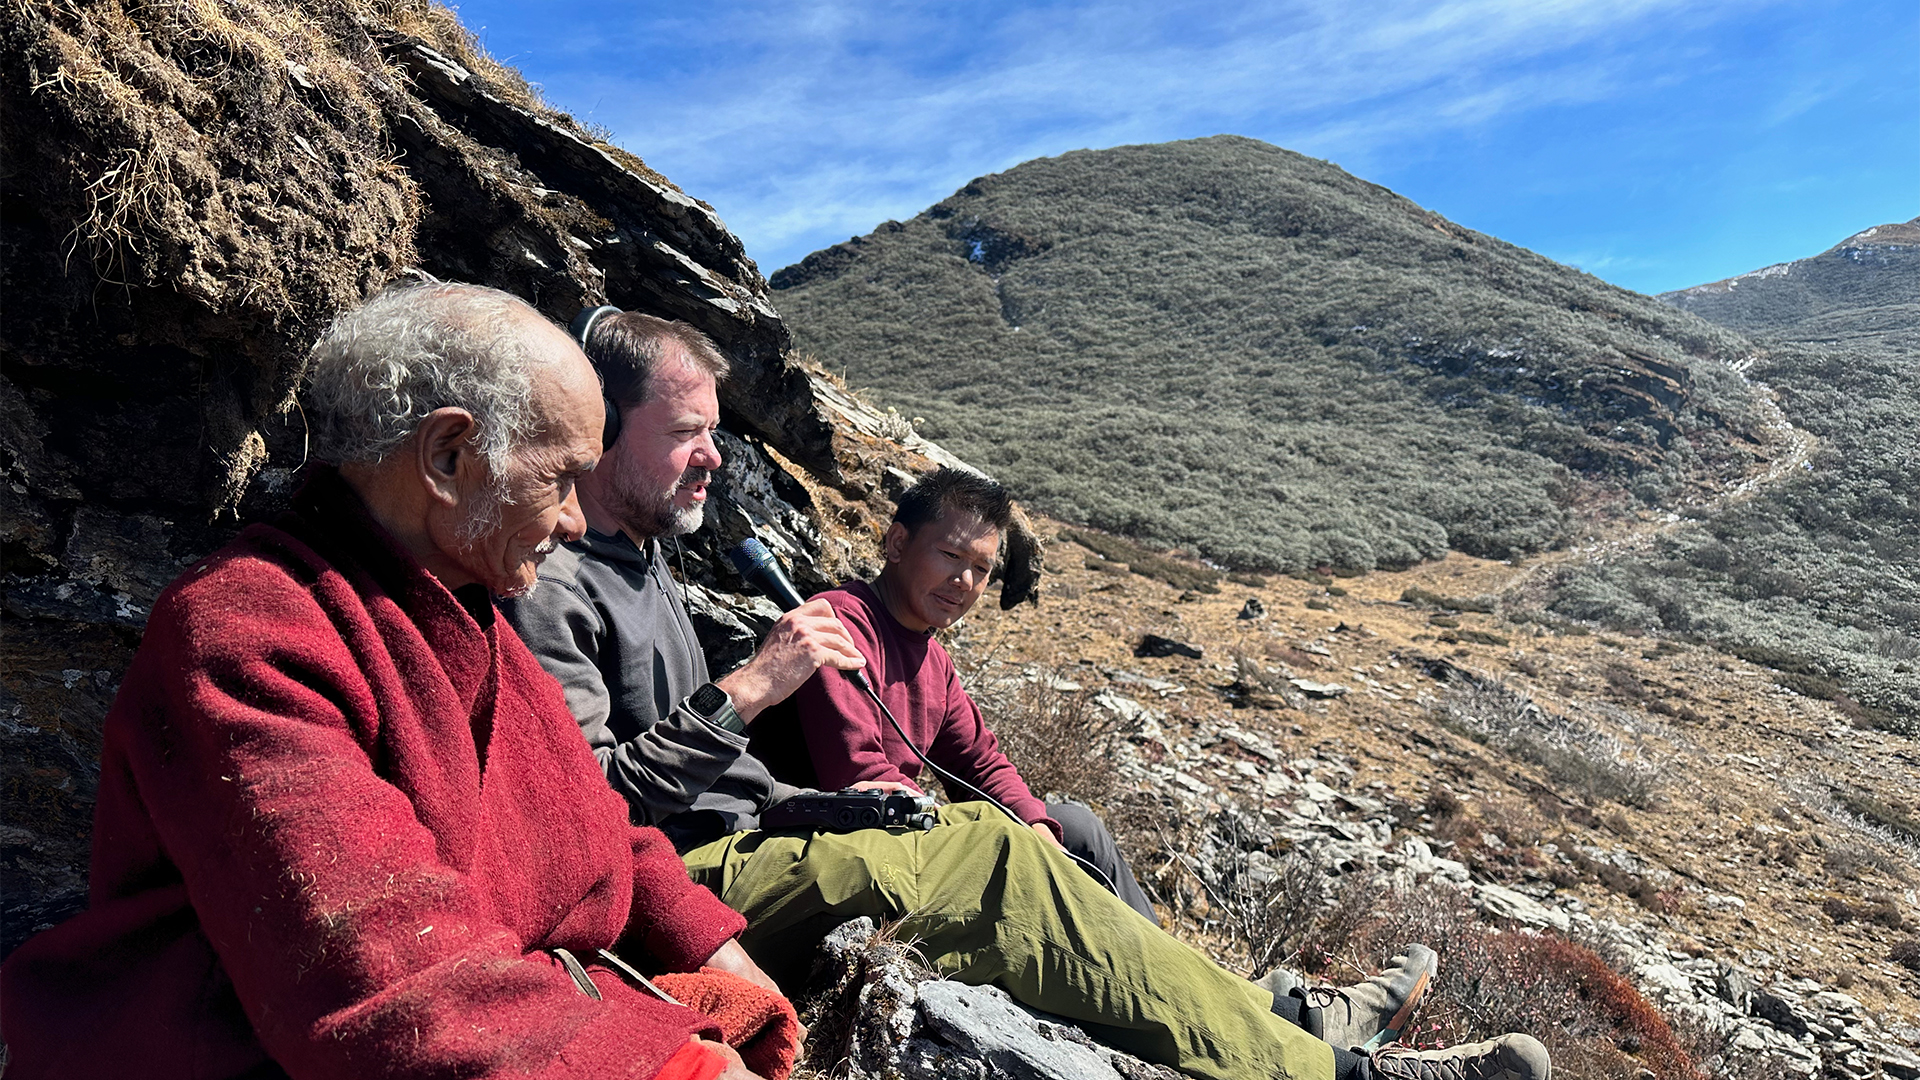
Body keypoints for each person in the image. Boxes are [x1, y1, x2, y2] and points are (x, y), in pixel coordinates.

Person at [503, 308, 1553, 1080]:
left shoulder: (644, 563)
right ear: (601, 427)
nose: (711, 459)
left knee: (1047, 833)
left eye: (716, 433)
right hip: (678, 892)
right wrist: (753, 686)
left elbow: (797, 777)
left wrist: (834, 807)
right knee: (997, 853)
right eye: (687, 432)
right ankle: (1335, 1068)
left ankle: (1285, 1023)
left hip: (742, 851)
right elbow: (594, 810)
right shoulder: (549, 581)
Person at [0, 282, 793, 1080]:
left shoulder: (462, 607)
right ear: (449, 457)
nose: (575, 522)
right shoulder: (248, 629)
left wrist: (708, 942)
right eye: (559, 479)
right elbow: (392, 980)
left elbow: (592, 819)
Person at [753, 465, 1156, 920]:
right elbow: (858, 771)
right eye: (950, 554)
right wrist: (975, 832)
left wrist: (1036, 828)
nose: (965, 580)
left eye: (981, 568)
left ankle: (1164, 960)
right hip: (829, 849)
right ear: (898, 543)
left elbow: (978, 763)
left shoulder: (934, 660)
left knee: (1075, 828)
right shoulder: (836, 625)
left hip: (899, 832)